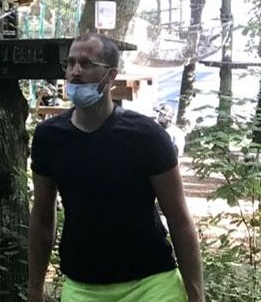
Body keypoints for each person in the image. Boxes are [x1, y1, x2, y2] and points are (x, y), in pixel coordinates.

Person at [27, 32, 205, 302]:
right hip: (83, 286)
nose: (75, 72)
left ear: (110, 75)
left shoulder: (147, 136)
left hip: (152, 284)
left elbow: (179, 220)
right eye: (70, 63)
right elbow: (41, 218)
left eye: (86, 64)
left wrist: (196, 295)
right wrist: (35, 289)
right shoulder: (49, 138)